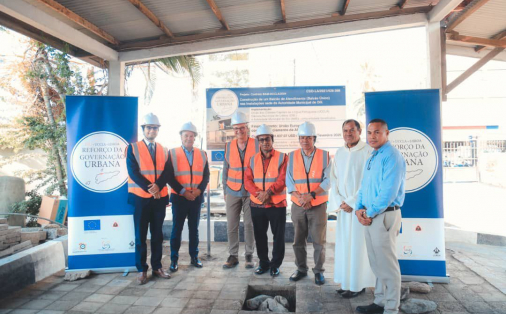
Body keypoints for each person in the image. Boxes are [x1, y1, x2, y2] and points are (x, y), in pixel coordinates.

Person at [355, 119, 406, 314]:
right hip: (370, 214)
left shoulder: (392, 156)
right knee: (377, 262)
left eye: (377, 132)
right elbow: (364, 187)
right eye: (369, 133)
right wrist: (359, 208)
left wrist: (368, 212)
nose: (372, 136)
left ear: (386, 133)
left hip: (384, 216)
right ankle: (380, 302)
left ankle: (391, 308)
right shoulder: (373, 156)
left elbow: (388, 193)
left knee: (388, 264)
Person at [153, 122, 210, 272]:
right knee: (176, 229)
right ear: (181, 136)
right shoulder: (172, 153)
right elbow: (169, 177)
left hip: (196, 198)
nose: (189, 138)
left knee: (194, 229)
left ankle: (194, 257)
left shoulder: (202, 154)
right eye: (186, 135)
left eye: (191, 136)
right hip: (179, 198)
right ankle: (174, 260)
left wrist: (198, 191)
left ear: (195, 137)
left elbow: (206, 176)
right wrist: (184, 192)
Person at [328, 119, 375, 298]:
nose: (348, 133)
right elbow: (334, 179)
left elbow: (368, 181)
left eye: (352, 130)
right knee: (344, 246)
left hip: (358, 209)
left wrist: (352, 202)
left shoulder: (368, 152)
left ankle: (357, 285)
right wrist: (340, 201)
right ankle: (346, 282)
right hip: (344, 210)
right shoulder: (339, 152)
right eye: (345, 130)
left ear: (359, 131)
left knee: (357, 247)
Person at [126, 113, 170, 285]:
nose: (152, 130)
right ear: (144, 129)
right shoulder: (133, 148)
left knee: (158, 235)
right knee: (140, 236)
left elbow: (167, 171)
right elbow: (133, 172)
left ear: (158, 130)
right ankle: (142, 270)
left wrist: (158, 185)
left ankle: (157, 267)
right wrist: (151, 188)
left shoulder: (164, 149)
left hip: (159, 199)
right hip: (140, 199)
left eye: (155, 128)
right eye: (149, 127)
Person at [286, 121, 330, 285]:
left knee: (319, 241)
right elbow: (289, 180)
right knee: (298, 240)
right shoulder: (291, 156)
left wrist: (310, 196)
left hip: (318, 205)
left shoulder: (325, 156)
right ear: (299, 138)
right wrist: (300, 198)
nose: (305, 141)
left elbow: (329, 180)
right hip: (298, 205)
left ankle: (318, 271)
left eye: (308, 137)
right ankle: (301, 269)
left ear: (314, 138)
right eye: (302, 137)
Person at [244, 124, 288, 277]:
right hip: (257, 205)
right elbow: (248, 181)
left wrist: (268, 192)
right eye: (262, 140)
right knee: (260, 236)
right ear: (258, 141)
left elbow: (282, 179)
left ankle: (275, 265)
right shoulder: (252, 159)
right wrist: (259, 194)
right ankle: (263, 263)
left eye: (267, 139)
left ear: (272, 139)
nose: (265, 142)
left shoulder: (283, 157)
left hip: (277, 204)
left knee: (278, 236)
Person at [222, 111, 259, 269]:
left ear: (247, 128)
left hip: (251, 193)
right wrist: (225, 190)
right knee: (232, 225)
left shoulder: (257, 144)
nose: (239, 131)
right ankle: (233, 255)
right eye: (236, 128)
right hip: (232, 191)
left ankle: (249, 254)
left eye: (242, 128)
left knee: (250, 225)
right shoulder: (229, 146)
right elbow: (225, 169)